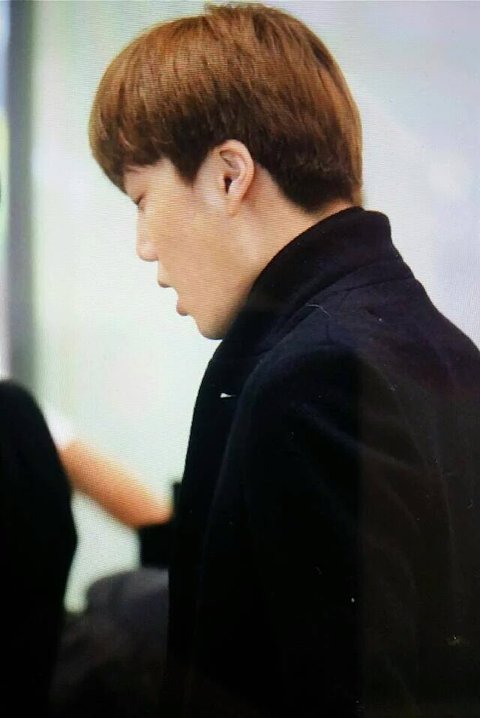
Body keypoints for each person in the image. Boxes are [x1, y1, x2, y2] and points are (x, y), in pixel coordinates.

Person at [88, 3, 480, 716]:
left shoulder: (310, 378)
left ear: (229, 175)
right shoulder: (447, 350)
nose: (144, 245)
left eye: (142, 198)